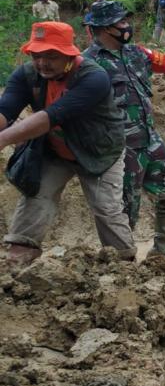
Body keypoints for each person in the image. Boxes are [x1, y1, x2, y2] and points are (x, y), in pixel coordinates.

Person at [84, 1, 165, 259]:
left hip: (149, 138)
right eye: (121, 23)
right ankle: (120, 264)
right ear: (105, 29)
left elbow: (164, 61)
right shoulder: (88, 64)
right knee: (124, 209)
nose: (126, 26)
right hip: (118, 147)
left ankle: (162, 254)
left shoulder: (135, 52)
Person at [0, 22, 135, 265]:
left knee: (106, 208)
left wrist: (3, 139)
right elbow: (5, 110)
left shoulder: (93, 77)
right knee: (35, 196)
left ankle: (123, 264)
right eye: (36, 55)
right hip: (54, 150)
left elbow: (51, 116)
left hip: (99, 151)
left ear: (69, 53)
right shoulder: (27, 75)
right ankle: (17, 260)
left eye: (51, 56)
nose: (42, 63)